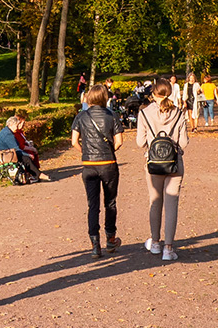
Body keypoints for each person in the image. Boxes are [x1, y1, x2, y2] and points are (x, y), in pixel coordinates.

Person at [136, 80, 189, 261]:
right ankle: (169, 248)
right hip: (174, 163)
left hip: (153, 164)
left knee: (155, 201)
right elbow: (184, 143)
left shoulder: (144, 113)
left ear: (153, 93)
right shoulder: (178, 113)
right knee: (172, 203)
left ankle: (155, 243)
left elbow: (139, 142)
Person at [71, 83, 124, 257]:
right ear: (104, 97)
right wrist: (109, 151)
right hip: (108, 163)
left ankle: (95, 245)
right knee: (110, 203)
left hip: (89, 165)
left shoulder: (81, 116)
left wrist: (86, 153)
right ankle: (110, 238)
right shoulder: (112, 115)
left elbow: (74, 142)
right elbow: (119, 142)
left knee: (92, 205)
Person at [0, 109, 41, 184]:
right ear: (11, 125)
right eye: (16, 125)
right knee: (26, 158)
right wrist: (28, 154)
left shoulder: (7, 131)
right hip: (5, 156)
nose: (17, 127)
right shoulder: (8, 134)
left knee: (26, 158)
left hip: (7, 154)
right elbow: (17, 149)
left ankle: (35, 175)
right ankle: (36, 175)